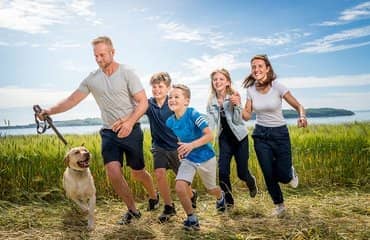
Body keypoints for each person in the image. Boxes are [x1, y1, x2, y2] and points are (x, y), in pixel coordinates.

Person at [37, 36, 159, 224]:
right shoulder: (92, 79)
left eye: (102, 54)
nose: (99, 59)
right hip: (109, 133)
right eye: (96, 56)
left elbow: (143, 102)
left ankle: (153, 195)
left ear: (112, 52)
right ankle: (133, 210)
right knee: (113, 172)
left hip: (131, 129)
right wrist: (49, 111)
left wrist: (129, 122)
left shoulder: (127, 73)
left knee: (138, 173)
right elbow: (72, 100)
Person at [241, 54, 307, 216]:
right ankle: (279, 206)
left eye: (259, 66)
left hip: (280, 133)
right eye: (253, 67)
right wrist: (237, 106)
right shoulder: (250, 90)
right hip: (261, 135)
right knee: (268, 173)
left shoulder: (278, 86)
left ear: (267, 68)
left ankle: (289, 172)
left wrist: (302, 116)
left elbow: (298, 105)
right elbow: (247, 116)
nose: (256, 69)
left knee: (283, 177)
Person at [166, 84, 226, 231]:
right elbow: (179, 138)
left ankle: (220, 197)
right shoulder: (170, 122)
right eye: (170, 97)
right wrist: (181, 150)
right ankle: (192, 219)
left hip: (206, 157)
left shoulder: (193, 114)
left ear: (186, 101)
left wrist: (191, 145)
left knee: (211, 189)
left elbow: (209, 135)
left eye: (176, 97)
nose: (172, 99)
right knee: (180, 187)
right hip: (189, 158)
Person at [146, 72, 197, 223]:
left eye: (160, 86)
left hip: (176, 147)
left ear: (168, 88)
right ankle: (169, 207)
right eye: (154, 87)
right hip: (159, 146)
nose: (157, 89)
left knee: (181, 179)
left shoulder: (173, 102)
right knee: (159, 173)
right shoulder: (149, 104)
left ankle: (192, 194)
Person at [206, 69, 258, 208]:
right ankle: (229, 203)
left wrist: (237, 105)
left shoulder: (234, 96)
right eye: (215, 79)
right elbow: (211, 124)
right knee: (222, 171)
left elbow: (237, 121)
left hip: (240, 138)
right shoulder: (211, 101)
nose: (218, 82)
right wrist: (207, 140)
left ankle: (251, 181)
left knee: (242, 173)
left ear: (227, 82)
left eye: (221, 79)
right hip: (224, 139)